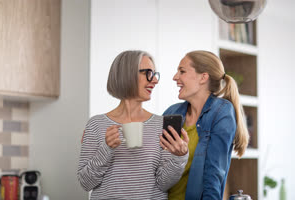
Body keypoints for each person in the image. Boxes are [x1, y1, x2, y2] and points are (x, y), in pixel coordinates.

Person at [77, 50, 189, 200]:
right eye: (148, 73)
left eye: (155, 74)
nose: (155, 80)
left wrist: (179, 157)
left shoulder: (159, 124)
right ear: (127, 74)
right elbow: (86, 183)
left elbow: (163, 183)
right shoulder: (96, 124)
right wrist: (106, 148)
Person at [161, 50, 249, 200]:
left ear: (203, 77)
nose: (175, 77)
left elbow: (214, 174)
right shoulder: (172, 112)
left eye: (182, 71)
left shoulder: (221, 112)